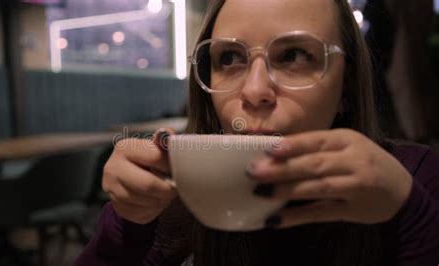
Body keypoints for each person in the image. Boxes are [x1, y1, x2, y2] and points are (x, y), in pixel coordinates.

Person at [76, 0, 439, 265]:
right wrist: (128, 222)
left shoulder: (416, 177)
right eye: (230, 59)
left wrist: (408, 213)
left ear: (346, 86)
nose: (253, 92)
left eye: (294, 55)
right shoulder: (181, 202)